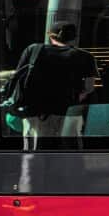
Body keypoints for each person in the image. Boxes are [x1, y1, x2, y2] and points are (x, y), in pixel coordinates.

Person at [14, 21, 98, 150]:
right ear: (74, 38)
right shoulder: (85, 57)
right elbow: (89, 87)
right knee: (68, 153)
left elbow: (18, 77)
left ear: (50, 36)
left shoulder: (33, 50)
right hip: (68, 113)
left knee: (35, 154)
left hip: (35, 113)